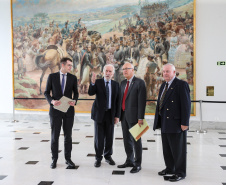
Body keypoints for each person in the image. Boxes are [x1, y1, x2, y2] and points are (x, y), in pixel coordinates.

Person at [153, 63, 191, 182]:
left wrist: (185, 123)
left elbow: (186, 106)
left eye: (168, 71)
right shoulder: (164, 85)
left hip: (176, 123)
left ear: (174, 72)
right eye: (164, 71)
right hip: (164, 122)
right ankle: (170, 168)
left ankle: (180, 172)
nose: (165, 73)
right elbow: (161, 104)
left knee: (178, 150)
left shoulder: (181, 85)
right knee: (167, 148)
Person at [44, 57, 79, 169]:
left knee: (68, 136)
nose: (70, 67)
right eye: (69, 65)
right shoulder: (52, 77)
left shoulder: (73, 78)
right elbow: (46, 93)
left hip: (68, 111)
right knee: (55, 136)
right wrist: (52, 101)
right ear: (62, 65)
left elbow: (76, 93)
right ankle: (54, 159)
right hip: (55, 111)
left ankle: (68, 159)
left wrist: (74, 101)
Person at [88, 64, 120, 168]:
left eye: (110, 71)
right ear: (103, 72)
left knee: (109, 137)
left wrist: (117, 116)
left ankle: (108, 156)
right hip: (99, 114)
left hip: (110, 114)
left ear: (113, 74)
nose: (108, 73)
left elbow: (118, 101)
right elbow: (90, 93)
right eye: (106, 71)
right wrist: (92, 83)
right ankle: (98, 158)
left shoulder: (116, 85)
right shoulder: (98, 82)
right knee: (99, 138)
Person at [117, 62, 146, 173]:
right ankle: (129, 160)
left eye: (127, 69)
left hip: (135, 117)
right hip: (124, 116)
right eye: (123, 69)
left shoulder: (140, 83)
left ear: (133, 70)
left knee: (136, 141)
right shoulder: (123, 83)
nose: (124, 71)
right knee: (126, 140)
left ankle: (137, 164)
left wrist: (140, 118)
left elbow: (141, 102)